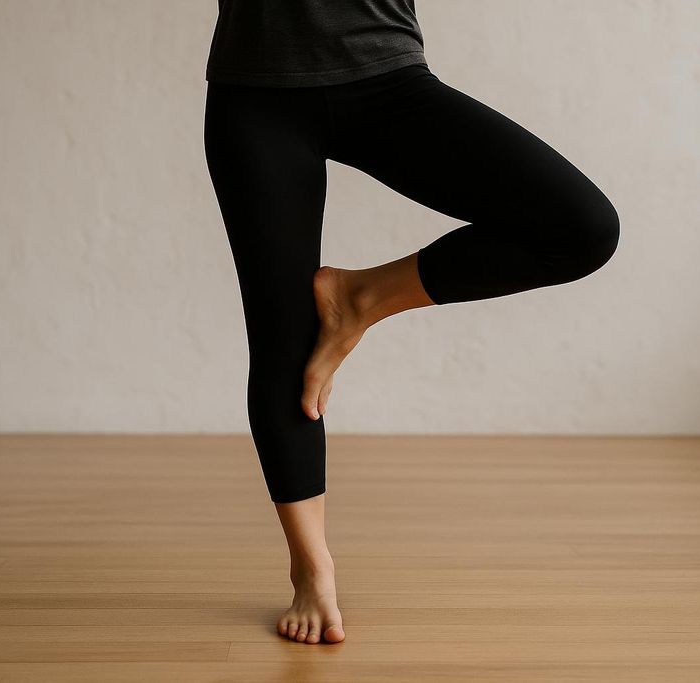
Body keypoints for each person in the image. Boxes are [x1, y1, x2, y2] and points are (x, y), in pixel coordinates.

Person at [203, 0, 619, 645]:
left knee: (581, 228)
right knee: (284, 341)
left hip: (386, 78)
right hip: (258, 92)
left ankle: (365, 297)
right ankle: (311, 570)